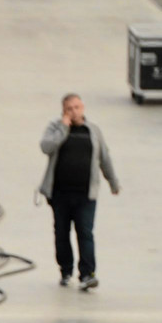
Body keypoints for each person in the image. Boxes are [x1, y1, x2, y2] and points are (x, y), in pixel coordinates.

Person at [39, 94, 121, 290]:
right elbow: (46, 147)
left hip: (86, 194)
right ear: (63, 110)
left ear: (83, 107)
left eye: (77, 107)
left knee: (85, 233)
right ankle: (65, 270)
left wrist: (113, 182)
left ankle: (87, 274)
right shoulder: (55, 127)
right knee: (61, 233)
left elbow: (104, 158)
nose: (74, 111)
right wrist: (64, 127)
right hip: (60, 194)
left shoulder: (93, 130)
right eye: (69, 108)